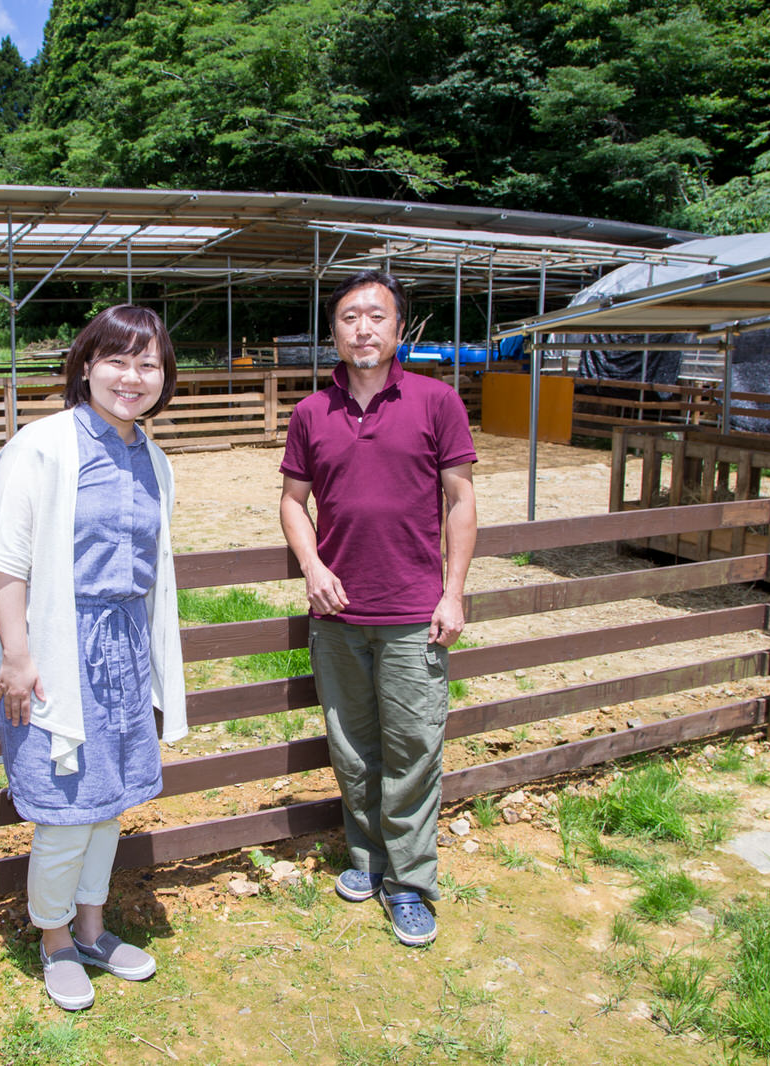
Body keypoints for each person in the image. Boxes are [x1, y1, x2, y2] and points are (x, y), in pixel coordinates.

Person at [0, 304, 188, 1010]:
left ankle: (95, 927)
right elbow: (8, 564)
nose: (132, 377)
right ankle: (54, 939)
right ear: (85, 364)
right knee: (68, 806)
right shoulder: (40, 446)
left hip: (126, 648)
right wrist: (18, 656)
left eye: (149, 363)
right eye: (117, 359)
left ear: (164, 378)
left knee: (111, 802)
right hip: (56, 649)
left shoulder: (154, 460)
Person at [279, 270, 478, 947]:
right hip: (337, 617)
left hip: (413, 613)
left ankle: (410, 882)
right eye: (348, 317)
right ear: (332, 331)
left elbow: (462, 500)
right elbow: (292, 502)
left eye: (376, 317)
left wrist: (453, 592)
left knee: (414, 747)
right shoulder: (311, 413)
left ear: (400, 330)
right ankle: (366, 859)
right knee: (354, 748)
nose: (362, 328)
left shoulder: (437, 401)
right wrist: (312, 566)